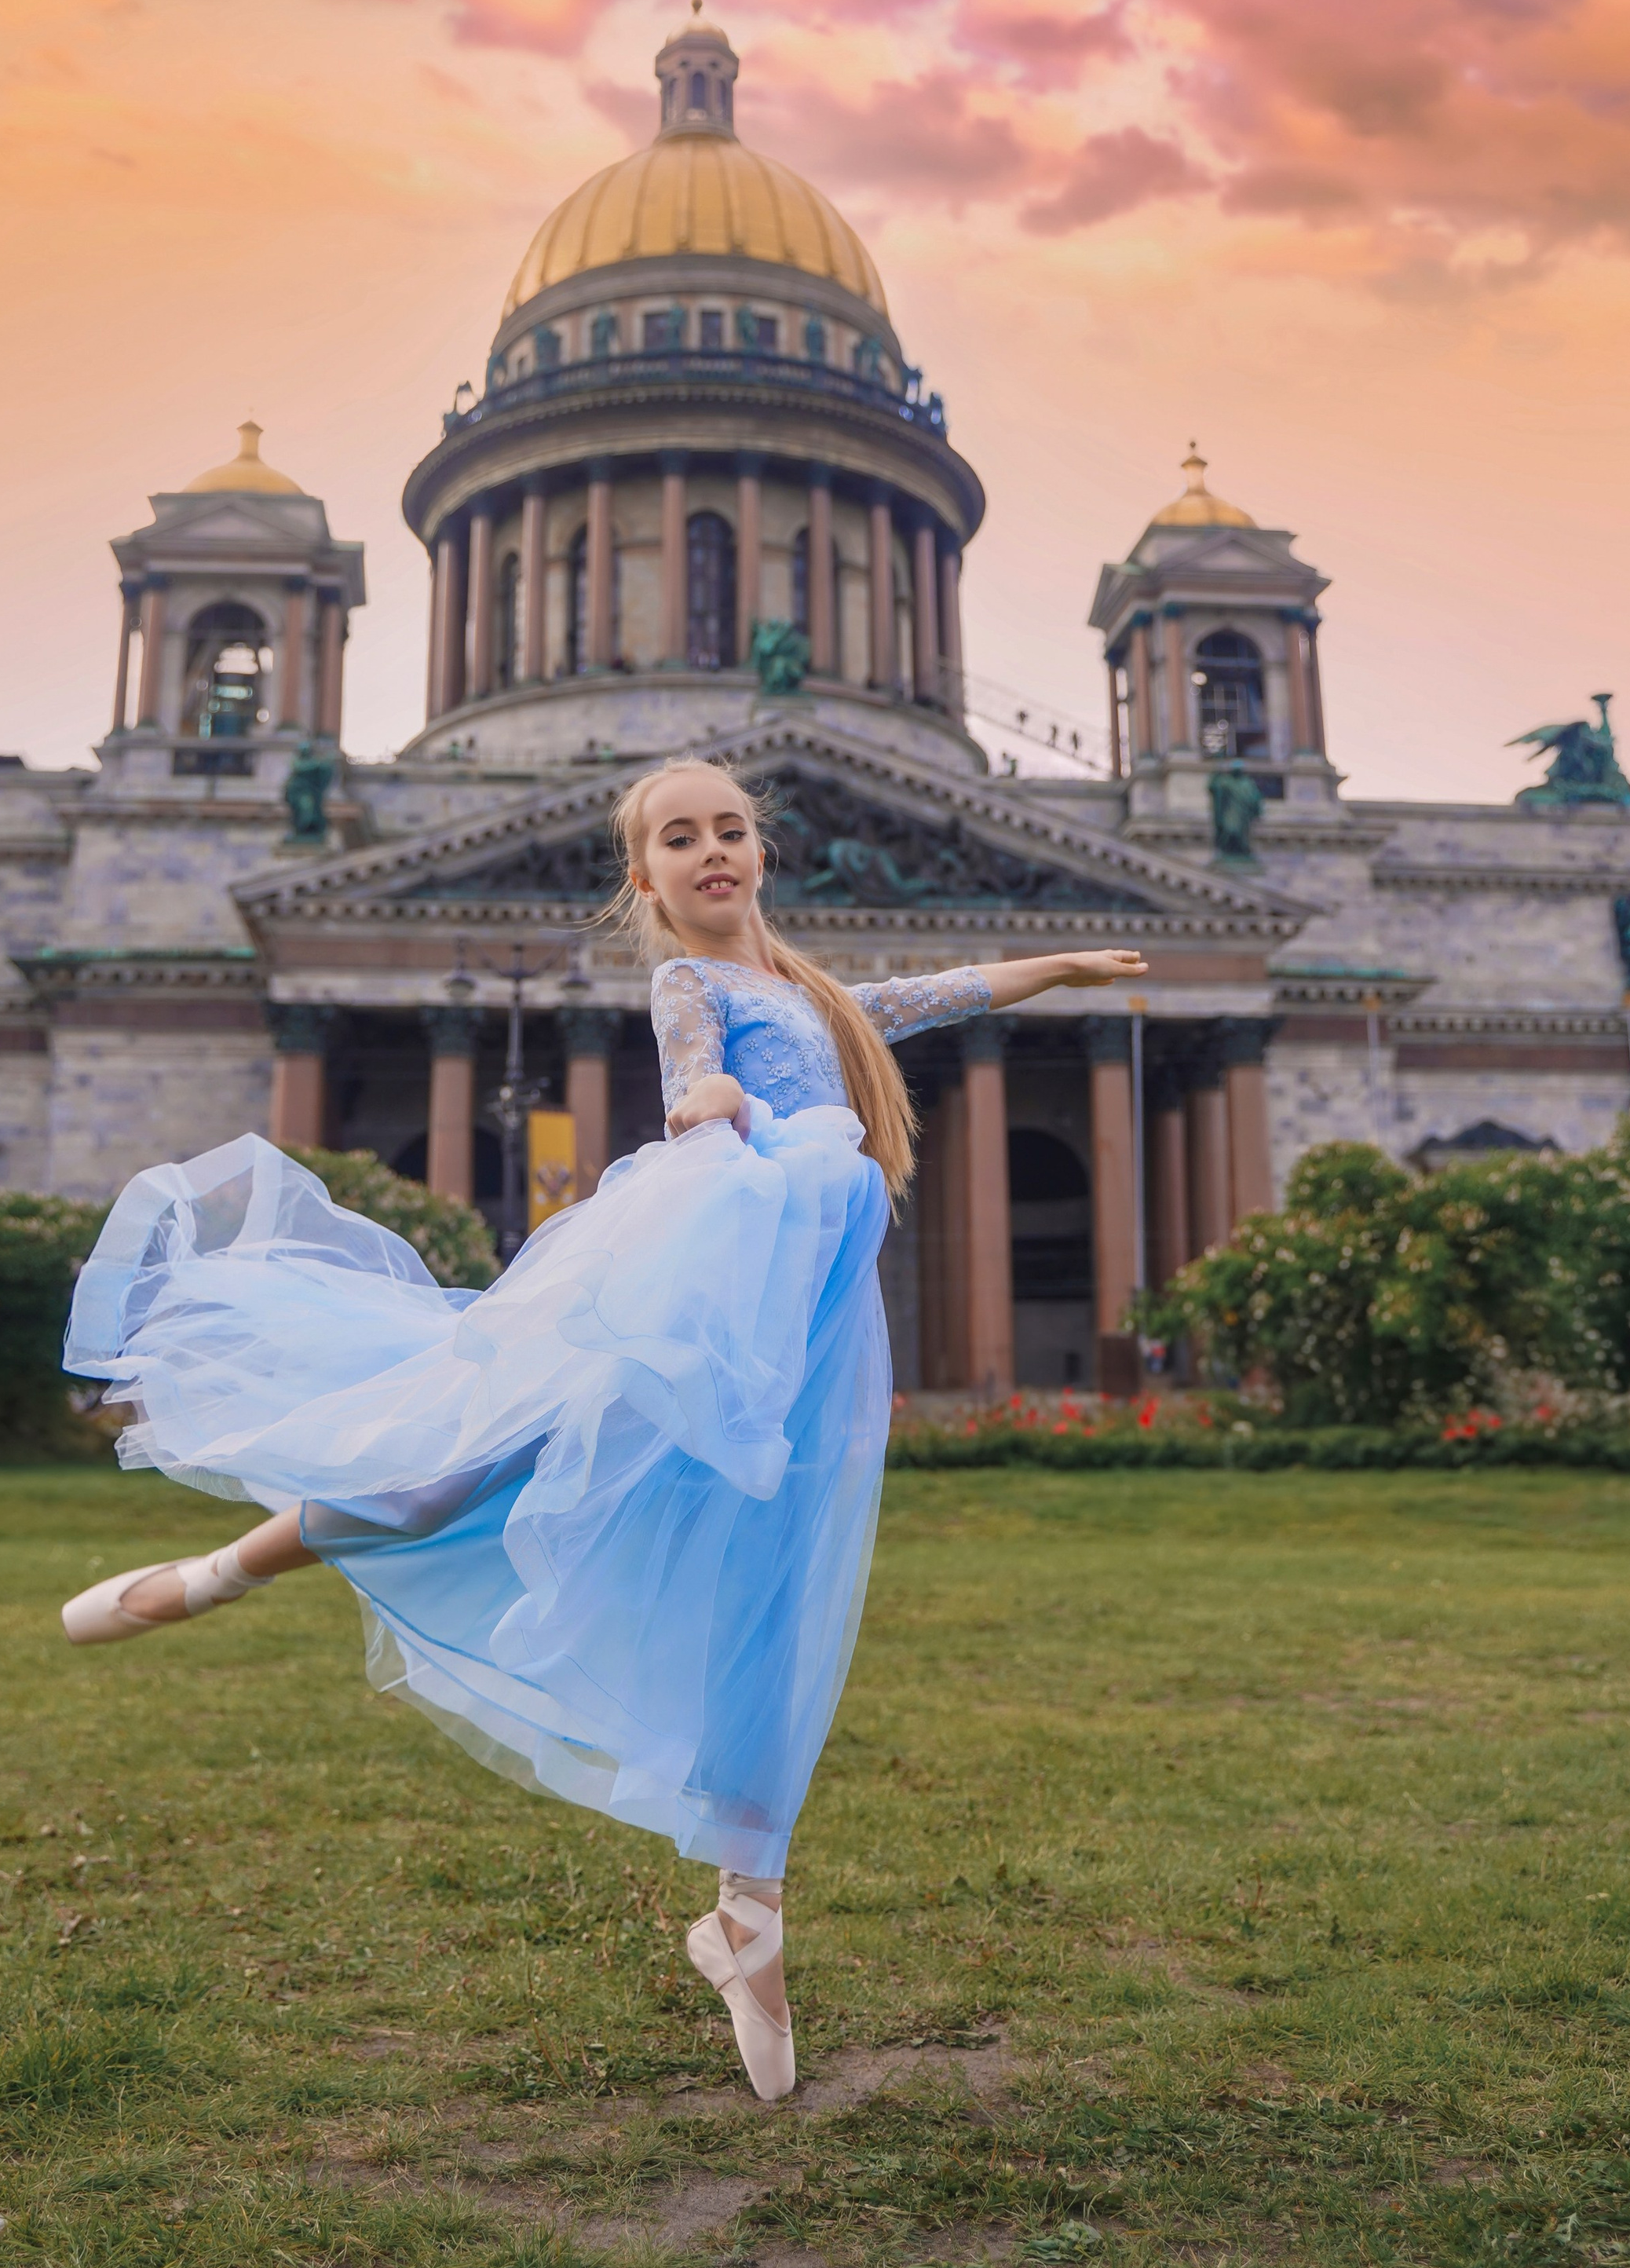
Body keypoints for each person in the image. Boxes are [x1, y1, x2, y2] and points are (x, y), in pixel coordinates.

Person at [60, 758, 1147, 2099]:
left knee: (774, 1594)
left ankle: (748, 1914)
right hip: (700, 1285)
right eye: (677, 840)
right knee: (472, 1470)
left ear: (761, 851)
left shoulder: (816, 1000)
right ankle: (220, 1572)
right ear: (647, 878)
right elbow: (690, 1068)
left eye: (730, 831)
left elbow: (934, 998)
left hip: (799, 1328)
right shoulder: (691, 985)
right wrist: (712, 1105)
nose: (710, 854)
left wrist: (1068, 966)